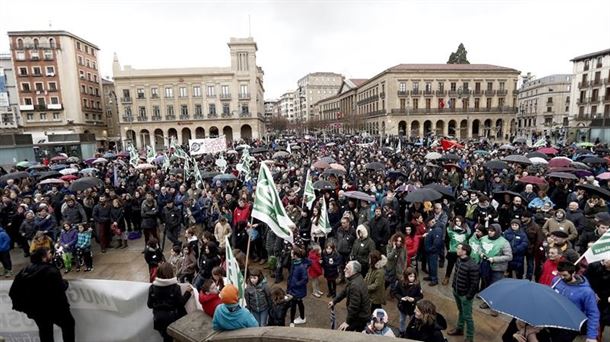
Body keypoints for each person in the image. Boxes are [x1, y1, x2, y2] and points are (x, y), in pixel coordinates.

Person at [9, 247, 75, 342]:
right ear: (43, 257)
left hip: (36, 311)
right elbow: (60, 288)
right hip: (54, 309)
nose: (51, 254)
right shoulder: (51, 271)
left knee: (45, 332)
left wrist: (27, 308)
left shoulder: (24, 270)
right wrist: (65, 283)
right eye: (49, 253)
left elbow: (13, 292)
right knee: (68, 325)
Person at [551, 261, 600, 342]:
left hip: (570, 326)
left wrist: (591, 336)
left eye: (565, 275)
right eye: (559, 274)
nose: (561, 278)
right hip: (555, 321)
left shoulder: (586, 292)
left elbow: (593, 313)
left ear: (573, 273)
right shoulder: (556, 280)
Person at [148, 263, 193, 342]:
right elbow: (180, 304)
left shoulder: (152, 287)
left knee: (166, 337)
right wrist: (188, 293)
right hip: (172, 319)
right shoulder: (175, 287)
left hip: (159, 319)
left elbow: (149, 305)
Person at [447, 243, 480, 342]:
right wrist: (454, 288)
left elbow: (475, 284)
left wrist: (468, 296)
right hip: (456, 291)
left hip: (465, 295)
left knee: (468, 317)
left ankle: (470, 338)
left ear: (464, 251)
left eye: (458, 248)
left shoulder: (473, 265)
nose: (456, 249)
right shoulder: (458, 260)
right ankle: (459, 329)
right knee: (461, 312)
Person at [329, 260, 371, 332]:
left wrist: (347, 322)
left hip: (360, 317)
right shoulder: (356, 277)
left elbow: (354, 307)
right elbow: (345, 291)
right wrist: (334, 301)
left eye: (347, 268)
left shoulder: (354, 285)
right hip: (360, 314)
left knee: (344, 331)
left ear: (354, 271)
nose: (344, 270)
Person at [390, 267, 423, 337]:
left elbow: (420, 296)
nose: (412, 278)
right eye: (410, 276)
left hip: (412, 307)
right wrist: (401, 298)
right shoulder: (400, 283)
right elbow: (395, 292)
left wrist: (413, 299)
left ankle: (411, 332)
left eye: (414, 276)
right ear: (406, 276)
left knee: (413, 321)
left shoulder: (417, 284)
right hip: (403, 306)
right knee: (402, 320)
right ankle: (402, 332)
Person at [584, 259, 610, 340]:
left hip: (607, 299)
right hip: (594, 296)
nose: (606, 261)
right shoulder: (593, 266)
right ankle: (595, 336)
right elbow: (585, 280)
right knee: (595, 318)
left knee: (603, 318)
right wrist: (592, 293)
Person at [443, 216, 470, 285]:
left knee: (461, 266)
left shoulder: (467, 230)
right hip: (453, 251)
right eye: (456, 221)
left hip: (462, 251)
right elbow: (447, 240)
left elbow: (469, 240)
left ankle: (459, 279)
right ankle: (447, 277)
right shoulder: (450, 230)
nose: (458, 222)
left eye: (459, 221)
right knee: (450, 265)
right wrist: (448, 248)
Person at [287, 246, 309, 325]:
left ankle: (292, 321)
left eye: (292, 253)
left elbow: (305, 279)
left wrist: (296, 284)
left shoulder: (301, 267)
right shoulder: (294, 263)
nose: (290, 255)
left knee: (293, 306)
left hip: (297, 291)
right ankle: (302, 317)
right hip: (294, 290)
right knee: (300, 303)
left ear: (296, 255)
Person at [365, 250, 387, 314]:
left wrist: (366, 288)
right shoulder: (372, 267)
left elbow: (377, 285)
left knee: (375, 310)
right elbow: (367, 275)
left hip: (376, 296)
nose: (369, 259)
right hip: (372, 294)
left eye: (370, 258)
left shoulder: (380, 271)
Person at [423, 217, 444, 286]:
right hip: (429, 251)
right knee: (429, 264)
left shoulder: (437, 229)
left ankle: (434, 279)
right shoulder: (431, 228)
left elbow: (437, 243)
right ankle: (430, 276)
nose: (428, 224)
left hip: (433, 252)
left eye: (429, 223)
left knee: (433, 265)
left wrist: (431, 249)